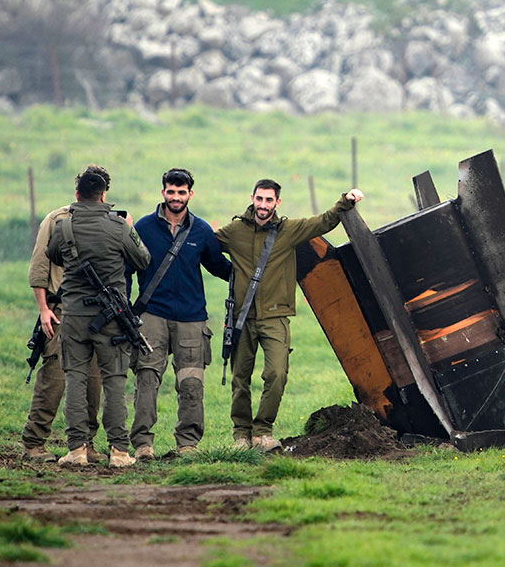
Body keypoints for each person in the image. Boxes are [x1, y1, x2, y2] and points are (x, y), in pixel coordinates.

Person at [215, 179, 364, 451]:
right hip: (242, 316)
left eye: (268, 200)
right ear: (252, 198)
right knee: (240, 378)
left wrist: (347, 201)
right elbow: (206, 246)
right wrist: (229, 273)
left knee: (277, 373)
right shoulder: (235, 231)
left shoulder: (289, 230)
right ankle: (240, 435)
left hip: (275, 316)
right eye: (259, 199)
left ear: (277, 202)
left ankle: (262, 431)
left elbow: (324, 221)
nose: (263, 205)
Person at [46, 170, 150, 467]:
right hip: (112, 318)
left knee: (76, 380)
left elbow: (54, 256)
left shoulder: (63, 227)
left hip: (75, 317)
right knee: (114, 381)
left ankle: (77, 449)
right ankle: (118, 451)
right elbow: (143, 259)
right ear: (104, 195)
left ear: (77, 194)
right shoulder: (118, 227)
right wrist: (129, 229)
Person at [128, 168, 232, 459]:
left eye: (181, 192)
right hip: (152, 315)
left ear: (190, 194)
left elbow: (219, 267)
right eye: (171, 192)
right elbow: (127, 267)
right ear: (163, 192)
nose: (176, 197)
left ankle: (187, 444)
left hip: (191, 318)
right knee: (146, 380)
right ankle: (143, 445)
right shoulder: (145, 228)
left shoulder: (201, 230)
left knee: (191, 383)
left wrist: (254, 273)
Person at [21, 165, 107, 463]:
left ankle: (86, 444)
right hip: (60, 310)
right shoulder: (57, 220)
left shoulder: (111, 221)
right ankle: (34, 442)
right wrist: (43, 309)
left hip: (97, 314)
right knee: (54, 376)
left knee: (93, 381)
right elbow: (39, 268)